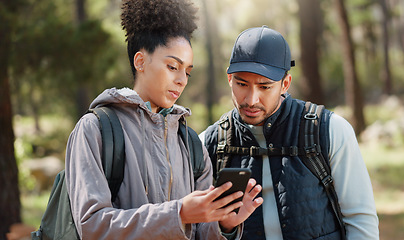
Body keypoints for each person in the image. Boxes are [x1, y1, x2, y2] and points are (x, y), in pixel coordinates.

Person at [64, 0, 263, 239]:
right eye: (172, 66)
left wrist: (224, 225)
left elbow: (200, 232)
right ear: (140, 62)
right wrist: (178, 214)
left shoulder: (190, 142)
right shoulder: (96, 129)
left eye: (187, 71)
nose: (182, 80)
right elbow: (92, 226)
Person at [200, 26, 379, 239]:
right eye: (241, 84)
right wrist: (226, 228)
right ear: (229, 80)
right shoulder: (208, 143)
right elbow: (198, 230)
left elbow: (360, 220)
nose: (251, 99)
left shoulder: (330, 130)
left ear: (285, 84)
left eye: (264, 87)